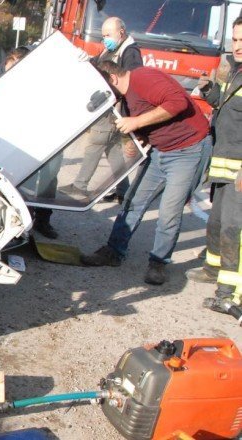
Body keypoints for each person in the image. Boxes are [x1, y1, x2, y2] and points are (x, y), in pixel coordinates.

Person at [80, 61, 211, 285]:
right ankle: (114, 252)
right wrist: (141, 136)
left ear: (112, 79)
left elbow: (178, 102)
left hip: (188, 151)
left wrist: (137, 122)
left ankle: (158, 263)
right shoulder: (126, 96)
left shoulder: (144, 79)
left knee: (169, 210)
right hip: (160, 152)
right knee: (133, 200)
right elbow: (151, 119)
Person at [187, 17, 242, 313]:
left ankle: (228, 293)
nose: (238, 46)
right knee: (218, 222)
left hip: (239, 169)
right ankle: (212, 268)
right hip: (224, 163)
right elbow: (226, 106)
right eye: (235, 39)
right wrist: (209, 91)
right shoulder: (235, 70)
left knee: (234, 228)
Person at [60, 17, 142, 204]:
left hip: (113, 108)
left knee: (96, 143)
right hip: (109, 107)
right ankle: (124, 191)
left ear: (121, 32)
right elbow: (97, 65)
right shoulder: (111, 49)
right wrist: (86, 59)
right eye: (103, 35)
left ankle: (80, 185)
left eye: (108, 35)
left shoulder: (130, 53)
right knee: (113, 151)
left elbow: (130, 82)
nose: (105, 39)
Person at [0, 46, 59, 239]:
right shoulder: (0, 73)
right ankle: (12, 222)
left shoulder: (42, 75)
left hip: (40, 130)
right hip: (8, 132)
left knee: (49, 177)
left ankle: (43, 221)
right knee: (12, 178)